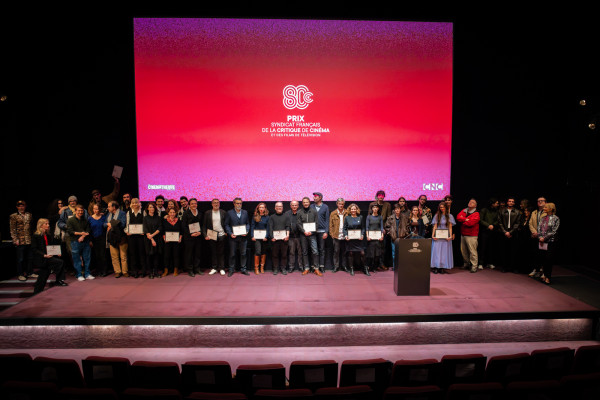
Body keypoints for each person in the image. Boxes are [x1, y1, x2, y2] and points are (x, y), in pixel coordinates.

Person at [31, 218, 68, 294]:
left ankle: (37, 292)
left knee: (43, 276)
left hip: (48, 258)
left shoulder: (47, 235)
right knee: (59, 262)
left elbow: (50, 246)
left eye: (48, 224)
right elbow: (34, 249)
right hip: (42, 258)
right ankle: (58, 280)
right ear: (41, 225)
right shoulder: (36, 235)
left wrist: (57, 252)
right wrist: (44, 255)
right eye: (46, 224)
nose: (48, 225)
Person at [67, 204, 94, 281]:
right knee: (77, 259)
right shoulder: (70, 220)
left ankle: (87, 274)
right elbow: (70, 231)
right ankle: (79, 275)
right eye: (79, 211)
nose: (80, 212)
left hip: (85, 241)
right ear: (75, 211)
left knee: (87, 258)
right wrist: (80, 234)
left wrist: (82, 236)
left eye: (82, 211)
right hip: (75, 242)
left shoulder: (85, 220)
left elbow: (88, 230)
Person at [9, 200, 35, 281]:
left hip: (29, 239)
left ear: (25, 206)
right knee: (20, 259)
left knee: (30, 257)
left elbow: (31, 227)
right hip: (20, 240)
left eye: (22, 206)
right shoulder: (14, 216)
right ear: (17, 207)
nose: (21, 207)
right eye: (19, 206)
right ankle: (20, 274)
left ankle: (30, 272)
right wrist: (15, 239)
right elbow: (12, 229)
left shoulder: (29, 215)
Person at [225, 198, 250, 276]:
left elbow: (248, 223)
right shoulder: (229, 213)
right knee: (232, 254)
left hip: (243, 237)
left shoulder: (245, 212)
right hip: (233, 238)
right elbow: (226, 224)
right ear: (234, 204)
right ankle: (231, 269)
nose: (239, 205)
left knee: (243, 254)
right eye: (237, 203)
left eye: (240, 203)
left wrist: (247, 231)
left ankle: (243, 269)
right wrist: (230, 233)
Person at [537, 203, 560, 285]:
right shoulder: (543, 218)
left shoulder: (556, 218)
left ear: (551, 209)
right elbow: (539, 228)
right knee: (542, 258)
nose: (544, 208)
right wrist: (540, 237)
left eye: (546, 207)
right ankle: (543, 274)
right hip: (542, 241)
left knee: (549, 259)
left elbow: (554, 231)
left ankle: (548, 277)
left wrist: (545, 238)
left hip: (550, 242)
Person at [203, 198, 227, 276]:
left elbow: (226, 223)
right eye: (214, 203)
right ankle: (214, 268)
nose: (216, 204)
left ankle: (222, 268)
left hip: (221, 235)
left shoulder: (223, 212)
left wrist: (226, 232)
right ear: (212, 204)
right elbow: (204, 225)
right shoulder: (207, 213)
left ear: (219, 204)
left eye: (217, 203)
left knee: (221, 252)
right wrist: (205, 235)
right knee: (213, 252)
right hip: (212, 235)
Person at [497, 197, 522, 273]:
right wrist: (505, 232)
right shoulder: (501, 211)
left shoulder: (517, 212)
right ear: (507, 202)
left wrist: (510, 232)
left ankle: (512, 267)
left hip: (513, 233)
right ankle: (504, 267)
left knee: (513, 251)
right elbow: (499, 222)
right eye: (509, 201)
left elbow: (517, 223)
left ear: (514, 203)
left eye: (512, 201)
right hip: (503, 233)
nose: (511, 202)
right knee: (504, 251)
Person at [369, 190, 391, 270]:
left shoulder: (387, 205)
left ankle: (381, 264)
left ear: (384, 196)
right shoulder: (372, 204)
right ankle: (374, 265)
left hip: (383, 229)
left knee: (382, 248)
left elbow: (389, 218)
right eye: (379, 195)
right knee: (373, 247)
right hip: (373, 229)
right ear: (377, 196)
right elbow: (369, 216)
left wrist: (385, 229)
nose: (381, 197)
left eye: (382, 195)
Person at [298, 197, 320, 276]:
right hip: (303, 235)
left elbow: (317, 223)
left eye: (307, 202)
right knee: (304, 252)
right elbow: (298, 224)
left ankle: (316, 268)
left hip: (312, 235)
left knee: (315, 251)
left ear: (309, 203)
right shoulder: (299, 212)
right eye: (304, 202)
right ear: (302, 203)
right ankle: (306, 268)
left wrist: (311, 232)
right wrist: (304, 231)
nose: (305, 203)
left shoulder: (314, 211)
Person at [456, 199, 480, 273]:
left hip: (472, 235)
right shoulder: (464, 210)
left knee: (472, 252)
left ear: (475, 205)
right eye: (469, 202)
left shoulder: (476, 214)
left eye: (472, 202)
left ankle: (474, 266)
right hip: (463, 234)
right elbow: (458, 217)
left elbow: (470, 223)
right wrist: (466, 219)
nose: (470, 203)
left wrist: (463, 220)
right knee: (464, 251)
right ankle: (466, 264)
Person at [106, 200, 128, 278]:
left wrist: (111, 225)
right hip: (112, 238)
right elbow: (104, 224)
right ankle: (117, 271)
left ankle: (125, 271)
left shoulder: (122, 213)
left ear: (114, 207)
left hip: (121, 237)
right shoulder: (109, 214)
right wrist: (109, 224)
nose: (108, 208)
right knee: (114, 256)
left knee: (123, 256)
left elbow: (122, 224)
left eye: (109, 206)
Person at [182, 198, 203, 277]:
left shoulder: (200, 213)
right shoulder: (186, 213)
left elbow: (202, 224)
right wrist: (191, 233)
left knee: (197, 253)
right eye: (192, 204)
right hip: (189, 237)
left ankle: (197, 268)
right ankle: (190, 269)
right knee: (189, 254)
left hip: (198, 236)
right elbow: (183, 226)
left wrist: (200, 232)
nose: (194, 205)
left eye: (195, 203)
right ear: (189, 205)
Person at [430, 202, 454, 274]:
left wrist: (450, 236)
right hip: (438, 236)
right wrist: (433, 235)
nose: (442, 208)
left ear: (446, 207)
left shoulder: (450, 216)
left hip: (445, 236)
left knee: (444, 253)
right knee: (436, 252)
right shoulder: (437, 216)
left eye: (443, 207)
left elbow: (450, 227)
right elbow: (435, 226)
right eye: (441, 207)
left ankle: (442, 267)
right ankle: (436, 267)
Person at [126, 198, 146, 278]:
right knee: (132, 254)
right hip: (131, 236)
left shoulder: (143, 212)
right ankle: (134, 271)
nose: (135, 204)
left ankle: (143, 271)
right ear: (131, 204)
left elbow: (145, 223)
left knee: (142, 253)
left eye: (136, 203)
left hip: (141, 236)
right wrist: (127, 231)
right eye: (133, 203)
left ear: (139, 203)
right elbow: (127, 224)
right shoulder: (129, 212)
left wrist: (144, 231)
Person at [385, 203, 410, 269]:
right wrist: (390, 233)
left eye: (398, 209)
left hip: (402, 237)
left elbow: (407, 226)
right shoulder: (390, 218)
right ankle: (395, 266)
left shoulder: (404, 217)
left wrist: (406, 232)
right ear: (394, 210)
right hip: (394, 238)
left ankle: (402, 267)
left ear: (400, 209)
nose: (397, 210)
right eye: (396, 209)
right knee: (394, 253)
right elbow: (387, 227)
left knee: (402, 253)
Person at [268, 202, 290, 275]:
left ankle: (283, 268)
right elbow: (270, 227)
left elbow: (287, 227)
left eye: (281, 206)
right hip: (275, 239)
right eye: (278, 206)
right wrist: (272, 237)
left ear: (282, 208)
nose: (279, 208)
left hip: (284, 239)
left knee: (284, 255)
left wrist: (287, 235)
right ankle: (275, 269)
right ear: (275, 208)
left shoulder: (286, 216)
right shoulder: (272, 217)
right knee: (275, 255)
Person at [478, 198, 500, 270]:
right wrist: (488, 225)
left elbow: (498, 220)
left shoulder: (497, 211)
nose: (497, 204)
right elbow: (480, 220)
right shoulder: (484, 210)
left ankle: (490, 263)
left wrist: (493, 225)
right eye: (496, 203)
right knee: (483, 247)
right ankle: (480, 263)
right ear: (492, 204)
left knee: (491, 248)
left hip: (493, 231)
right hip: (484, 231)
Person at [528, 196, 547, 277]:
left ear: (545, 202)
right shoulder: (534, 212)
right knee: (535, 254)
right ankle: (536, 269)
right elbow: (530, 223)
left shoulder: (547, 212)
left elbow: (547, 226)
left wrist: (539, 234)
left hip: (543, 237)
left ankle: (543, 271)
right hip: (534, 236)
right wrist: (534, 232)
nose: (540, 202)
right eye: (538, 201)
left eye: (542, 200)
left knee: (543, 254)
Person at [343, 203, 365, 276]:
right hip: (350, 239)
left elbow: (363, 228)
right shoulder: (347, 218)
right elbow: (344, 228)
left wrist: (362, 235)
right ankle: (351, 268)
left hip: (358, 239)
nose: (353, 210)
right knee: (351, 253)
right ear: (350, 210)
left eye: (354, 209)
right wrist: (346, 235)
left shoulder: (360, 217)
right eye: (352, 209)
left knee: (362, 253)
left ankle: (364, 268)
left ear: (357, 210)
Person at [143, 202, 163, 279]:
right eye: (150, 207)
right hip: (148, 239)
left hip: (157, 238)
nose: (152, 209)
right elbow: (145, 229)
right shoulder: (145, 218)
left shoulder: (158, 217)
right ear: (147, 208)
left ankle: (156, 272)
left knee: (156, 256)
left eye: (153, 207)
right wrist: (151, 239)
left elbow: (160, 228)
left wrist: (153, 235)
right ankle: (150, 272)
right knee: (149, 256)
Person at [310, 192, 329, 274]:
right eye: (313, 197)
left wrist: (326, 231)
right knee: (313, 250)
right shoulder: (311, 206)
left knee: (322, 250)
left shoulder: (325, 207)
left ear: (320, 197)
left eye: (316, 196)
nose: (314, 198)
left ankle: (321, 266)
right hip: (313, 232)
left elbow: (327, 220)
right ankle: (314, 266)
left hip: (322, 232)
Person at [88, 204, 109, 277]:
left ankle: (104, 270)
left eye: (97, 209)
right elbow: (89, 230)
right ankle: (99, 270)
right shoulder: (90, 218)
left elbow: (106, 226)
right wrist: (90, 240)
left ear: (99, 209)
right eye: (94, 209)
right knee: (97, 255)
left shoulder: (103, 217)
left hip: (102, 238)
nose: (95, 210)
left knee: (103, 255)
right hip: (94, 238)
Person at [365, 203, 385, 276]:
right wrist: (367, 236)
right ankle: (368, 267)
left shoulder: (380, 217)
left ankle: (374, 267)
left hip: (378, 238)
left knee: (377, 254)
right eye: (374, 207)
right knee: (370, 254)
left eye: (376, 207)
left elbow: (382, 227)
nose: (375, 209)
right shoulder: (369, 217)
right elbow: (367, 227)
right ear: (372, 209)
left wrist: (382, 236)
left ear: (378, 209)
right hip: (371, 239)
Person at [329, 198, 348, 273]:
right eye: (339, 204)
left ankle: (344, 266)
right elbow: (330, 225)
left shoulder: (347, 212)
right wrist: (332, 234)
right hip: (336, 236)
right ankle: (336, 266)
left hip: (345, 236)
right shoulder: (333, 213)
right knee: (336, 252)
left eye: (342, 204)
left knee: (344, 252)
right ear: (337, 204)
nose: (341, 205)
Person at [251, 203, 270, 275]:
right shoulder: (255, 216)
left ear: (265, 208)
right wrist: (252, 236)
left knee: (263, 252)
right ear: (258, 208)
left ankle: (262, 267)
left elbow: (268, 228)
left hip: (264, 237)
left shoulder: (267, 217)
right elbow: (252, 226)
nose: (261, 209)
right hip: (256, 237)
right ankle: (256, 268)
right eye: (260, 207)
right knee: (258, 251)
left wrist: (266, 236)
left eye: (263, 207)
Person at [162, 208, 182, 277]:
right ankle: (166, 270)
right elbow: (162, 230)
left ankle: (175, 270)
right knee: (166, 256)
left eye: (173, 212)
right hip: (167, 241)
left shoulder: (179, 221)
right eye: (171, 212)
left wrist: (180, 238)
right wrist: (164, 238)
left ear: (175, 213)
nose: (172, 214)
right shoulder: (165, 221)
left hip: (176, 241)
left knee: (176, 255)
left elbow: (181, 230)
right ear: (168, 213)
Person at [285, 200, 302, 273]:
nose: (294, 206)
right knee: (291, 253)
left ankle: (301, 266)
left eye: (296, 205)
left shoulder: (301, 212)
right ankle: (291, 267)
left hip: (300, 236)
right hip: (291, 237)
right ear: (290, 206)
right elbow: (286, 225)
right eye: (293, 205)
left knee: (301, 253)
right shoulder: (287, 214)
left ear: (298, 206)